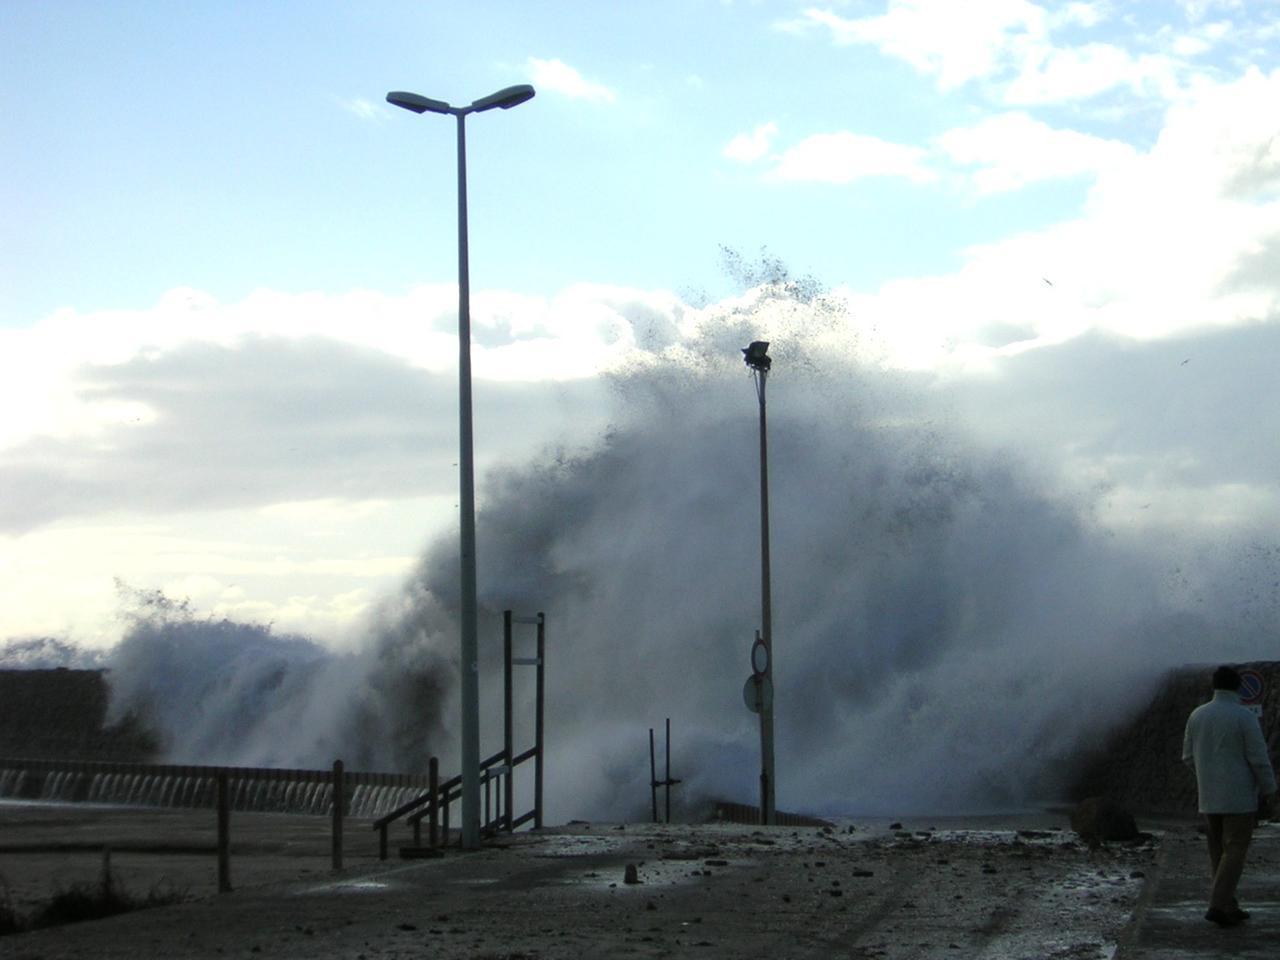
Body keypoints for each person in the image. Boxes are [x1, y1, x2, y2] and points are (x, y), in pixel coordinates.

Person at [1182, 665, 1278, 927]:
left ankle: (1228, 905)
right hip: (1239, 799)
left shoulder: (1197, 715)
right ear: (1238, 687)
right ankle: (1217, 903)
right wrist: (1270, 791)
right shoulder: (1243, 717)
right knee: (1235, 849)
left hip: (1209, 797)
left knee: (1217, 851)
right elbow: (1258, 760)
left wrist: (1207, 775)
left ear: (1215, 686)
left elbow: (1188, 756)